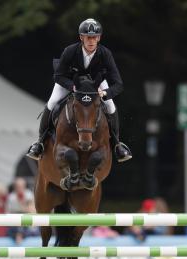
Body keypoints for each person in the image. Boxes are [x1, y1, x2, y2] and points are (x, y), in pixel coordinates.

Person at [26, 18, 132, 163]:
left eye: (94, 37)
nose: (91, 41)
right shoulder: (70, 51)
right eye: (88, 37)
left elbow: (118, 83)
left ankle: (117, 145)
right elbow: (58, 76)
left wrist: (105, 93)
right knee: (52, 103)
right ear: (81, 37)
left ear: (99, 38)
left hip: (96, 84)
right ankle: (40, 143)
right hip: (70, 82)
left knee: (110, 106)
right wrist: (72, 87)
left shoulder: (105, 53)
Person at [6, 177, 38, 243]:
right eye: (18, 186)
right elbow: (7, 213)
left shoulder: (28, 194)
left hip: (27, 222)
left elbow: (33, 211)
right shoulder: (11, 197)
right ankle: (19, 236)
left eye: (21, 186)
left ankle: (20, 236)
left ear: (24, 186)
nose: (20, 188)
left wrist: (22, 206)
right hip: (15, 223)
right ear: (15, 187)